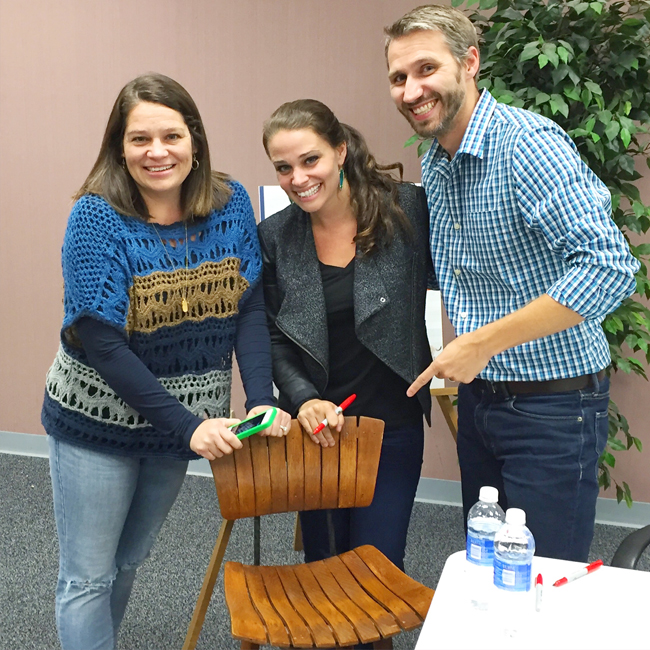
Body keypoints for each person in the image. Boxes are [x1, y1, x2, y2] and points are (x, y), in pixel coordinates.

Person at [41, 73, 290, 650]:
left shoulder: (228, 206)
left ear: (195, 140)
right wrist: (190, 425)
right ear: (119, 148)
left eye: (171, 135)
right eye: (139, 139)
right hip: (96, 422)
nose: (157, 152)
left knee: (128, 563)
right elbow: (101, 343)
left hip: (182, 428)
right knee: (86, 576)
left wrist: (260, 399)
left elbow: (246, 308)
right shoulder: (96, 218)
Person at [385, 5, 640, 561]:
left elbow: (610, 267)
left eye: (426, 69)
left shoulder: (527, 145)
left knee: (543, 580)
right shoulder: (437, 158)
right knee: (490, 569)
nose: (410, 90)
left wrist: (481, 342)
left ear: (470, 61)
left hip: (554, 406)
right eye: (398, 78)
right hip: (484, 401)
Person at [258, 99, 433, 571]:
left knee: (377, 566)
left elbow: (466, 276)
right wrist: (302, 398)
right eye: (283, 167)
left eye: (310, 160)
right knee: (326, 562)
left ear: (339, 151)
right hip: (319, 430)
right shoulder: (275, 236)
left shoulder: (406, 210)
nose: (298, 178)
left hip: (392, 426)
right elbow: (273, 336)